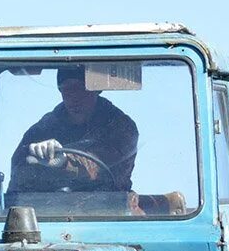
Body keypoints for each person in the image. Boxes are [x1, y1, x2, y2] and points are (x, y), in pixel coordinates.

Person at [9, 66, 139, 193]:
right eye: (67, 88)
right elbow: (18, 171)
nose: (74, 96)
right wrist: (33, 153)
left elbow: (105, 166)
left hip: (111, 209)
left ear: (95, 90)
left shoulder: (120, 126)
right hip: (50, 209)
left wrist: (64, 161)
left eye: (81, 88)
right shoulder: (43, 129)